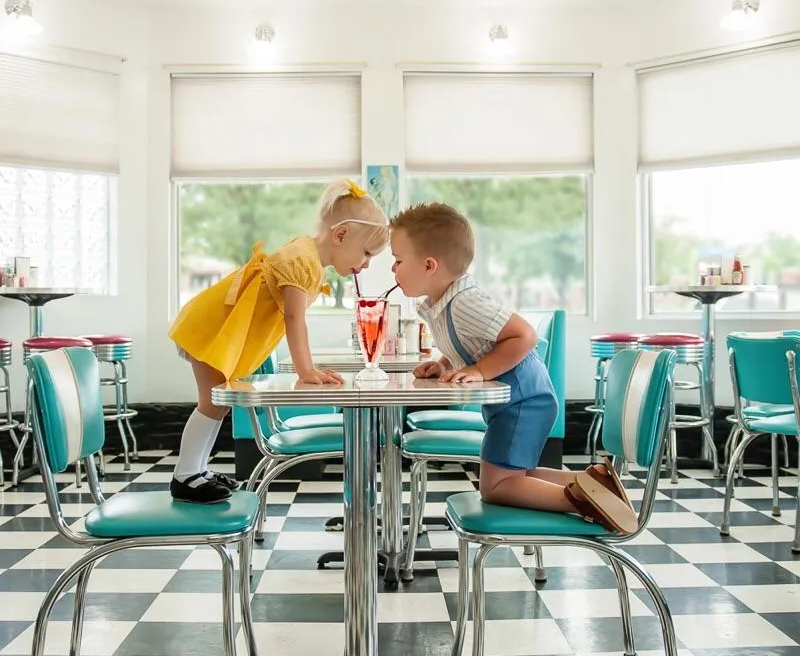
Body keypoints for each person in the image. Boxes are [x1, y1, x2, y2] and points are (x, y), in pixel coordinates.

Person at [389, 202, 637, 533]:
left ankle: (584, 501)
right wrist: (444, 363)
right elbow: (475, 343)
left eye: (397, 260)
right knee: (515, 477)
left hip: (524, 400)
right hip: (516, 401)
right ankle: (591, 483)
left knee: (496, 486)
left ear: (429, 265)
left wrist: (478, 372)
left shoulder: (465, 301)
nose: (393, 269)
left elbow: (524, 335)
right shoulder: (443, 303)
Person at [168, 179, 389, 504]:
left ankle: (195, 471)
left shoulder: (309, 258)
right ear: (341, 235)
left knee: (216, 406)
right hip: (212, 326)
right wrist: (306, 370)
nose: (367, 263)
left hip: (217, 326)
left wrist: (309, 368)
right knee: (211, 404)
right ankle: (185, 476)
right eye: (367, 253)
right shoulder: (302, 260)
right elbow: (293, 319)